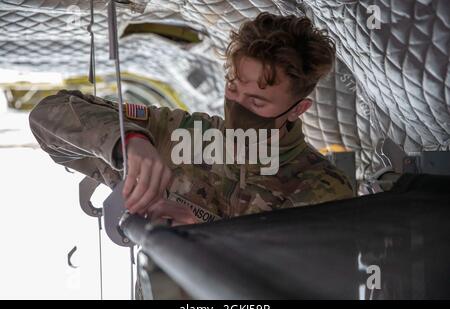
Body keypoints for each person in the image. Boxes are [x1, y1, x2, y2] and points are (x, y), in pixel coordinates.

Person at [29, 12, 354, 226]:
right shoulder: (178, 134)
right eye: (233, 87)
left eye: (256, 101)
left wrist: (205, 237)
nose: (237, 105)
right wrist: (128, 140)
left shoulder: (324, 192)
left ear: (298, 109)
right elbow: (47, 117)